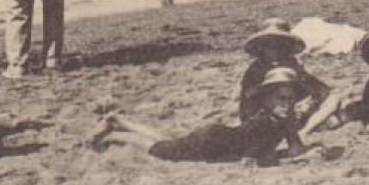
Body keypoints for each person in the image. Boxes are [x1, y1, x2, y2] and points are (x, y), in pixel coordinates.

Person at [93, 67, 313, 166]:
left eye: (291, 100)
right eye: (281, 99)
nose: (287, 105)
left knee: (169, 141)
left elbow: (294, 148)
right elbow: (255, 160)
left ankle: (120, 122)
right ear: (268, 100)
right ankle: (114, 137)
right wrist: (294, 159)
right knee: (162, 150)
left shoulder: (281, 120)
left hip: (217, 137)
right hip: (211, 142)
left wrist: (298, 148)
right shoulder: (265, 123)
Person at [239, 18, 343, 135]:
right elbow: (247, 104)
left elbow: (319, 90)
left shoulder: (292, 64)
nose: (275, 49)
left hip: (295, 111)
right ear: (262, 47)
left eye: (280, 44)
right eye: (269, 45)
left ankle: (305, 131)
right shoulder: (255, 70)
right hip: (269, 116)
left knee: (333, 101)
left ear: (287, 46)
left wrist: (308, 103)